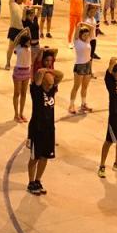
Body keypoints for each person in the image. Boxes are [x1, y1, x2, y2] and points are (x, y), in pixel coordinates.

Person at [27, 66, 63, 195]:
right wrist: (42, 72)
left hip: (49, 130)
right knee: (34, 157)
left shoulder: (51, 90)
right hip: (37, 130)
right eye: (47, 84)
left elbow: (61, 75)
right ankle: (31, 182)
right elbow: (38, 76)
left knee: (45, 157)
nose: (50, 86)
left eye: (51, 84)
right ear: (42, 82)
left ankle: (38, 180)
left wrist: (49, 71)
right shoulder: (36, 91)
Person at [68, 23, 94, 114]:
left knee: (85, 87)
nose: (86, 36)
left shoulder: (88, 40)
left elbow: (92, 27)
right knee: (76, 87)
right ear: (80, 35)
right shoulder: (76, 41)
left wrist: (85, 24)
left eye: (87, 35)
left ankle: (83, 104)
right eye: (84, 35)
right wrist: (80, 24)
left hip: (88, 65)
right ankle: (71, 105)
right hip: (79, 65)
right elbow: (78, 26)